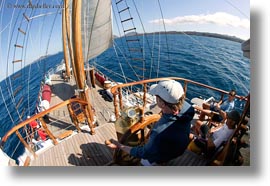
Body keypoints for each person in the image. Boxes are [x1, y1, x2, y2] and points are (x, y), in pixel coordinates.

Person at [106, 80, 195, 165]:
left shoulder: (158, 132)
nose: (155, 98)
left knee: (144, 161)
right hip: (180, 150)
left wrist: (119, 145)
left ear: (163, 104)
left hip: (164, 155)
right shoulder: (188, 108)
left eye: (156, 97)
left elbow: (143, 153)